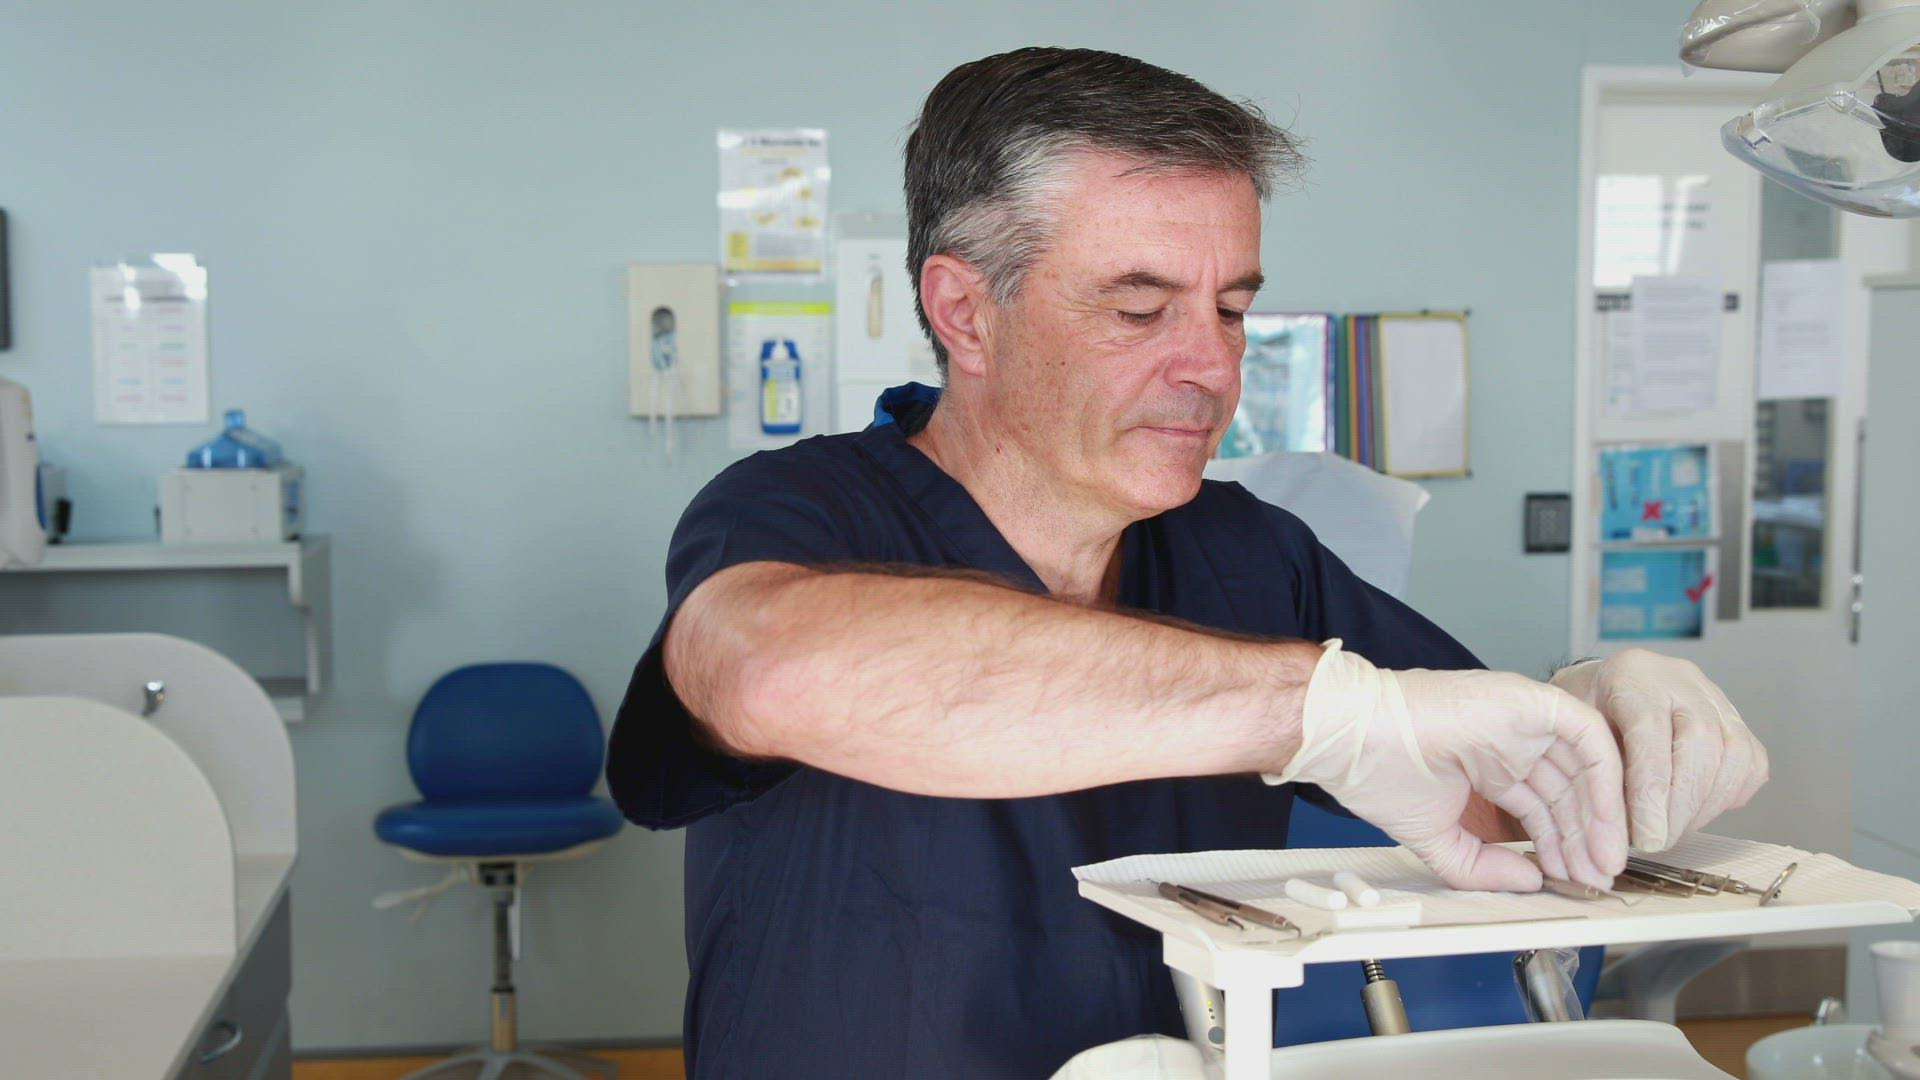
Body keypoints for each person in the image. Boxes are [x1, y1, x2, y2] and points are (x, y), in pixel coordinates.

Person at [607, 47, 1768, 1080]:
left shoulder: (1249, 556)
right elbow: (767, 672)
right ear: (964, 312)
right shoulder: (803, 514)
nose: (1212, 367)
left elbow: (1499, 796)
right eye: (1139, 309)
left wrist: (1603, 716)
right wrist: (1313, 710)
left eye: (1231, 309)